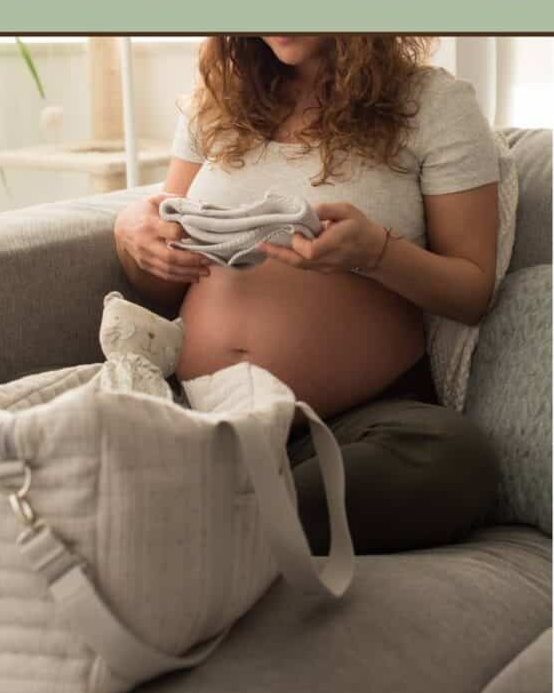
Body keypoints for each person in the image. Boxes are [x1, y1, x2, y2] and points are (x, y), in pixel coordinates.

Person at [113, 35, 501, 554]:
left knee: (457, 459)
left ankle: (203, 529)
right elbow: (164, 279)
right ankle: (229, 520)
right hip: (199, 413)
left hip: (347, 427)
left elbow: (472, 291)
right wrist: (132, 238)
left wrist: (376, 253)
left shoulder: (434, 104)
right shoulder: (216, 102)